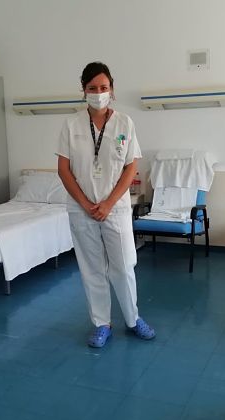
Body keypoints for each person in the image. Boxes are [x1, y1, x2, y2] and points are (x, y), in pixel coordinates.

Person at [57, 61, 155, 348]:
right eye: (92, 88)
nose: (98, 93)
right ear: (83, 90)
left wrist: (108, 204)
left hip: (116, 208)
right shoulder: (71, 124)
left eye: (103, 87)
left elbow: (131, 167)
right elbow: (64, 169)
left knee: (123, 266)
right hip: (82, 209)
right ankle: (102, 323)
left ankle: (133, 319)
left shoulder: (125, 123)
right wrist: (87, 204)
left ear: (112, 89)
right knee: (92, 269)